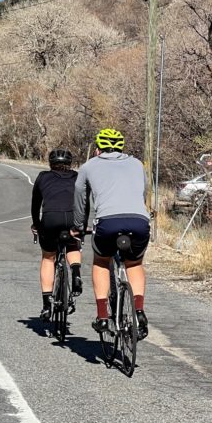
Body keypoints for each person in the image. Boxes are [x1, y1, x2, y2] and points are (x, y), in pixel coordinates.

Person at [73, 127, 151, 340]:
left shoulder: (88, 166)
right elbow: (143, 190)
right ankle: (139, 311)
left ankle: (102, 316)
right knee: (134, 264)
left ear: (98, 148)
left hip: (108, 222)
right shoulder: (136, 164)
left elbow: (80, 198)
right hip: (139, 221)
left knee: (101, 262)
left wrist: (78, 226)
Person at [31, 148, 82, 321]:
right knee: (73, 244)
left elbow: (35, 205)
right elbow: (85, 202)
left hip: (50, 219)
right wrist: (80, 226)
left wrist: (36, 224)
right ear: (70, 164)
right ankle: (76, 274)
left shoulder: (43, 177)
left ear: (50, 164)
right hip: (72, 218)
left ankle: (46, 305)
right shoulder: (77, 177)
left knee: (48, 257)